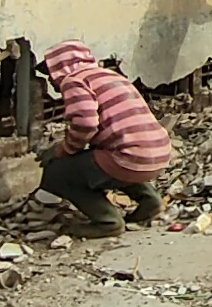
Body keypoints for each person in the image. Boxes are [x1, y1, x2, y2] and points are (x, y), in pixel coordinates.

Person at [36, 40, 173, 237]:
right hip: (158, 154)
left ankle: (107, 221)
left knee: (57, 173)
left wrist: (64, 149)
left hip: (129, 158)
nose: (50, 80)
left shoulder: (74, 80)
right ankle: (149, 201)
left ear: (61, 67)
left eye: (50, 73)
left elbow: (85, 122)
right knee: (113, 155)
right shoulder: (108, 75)